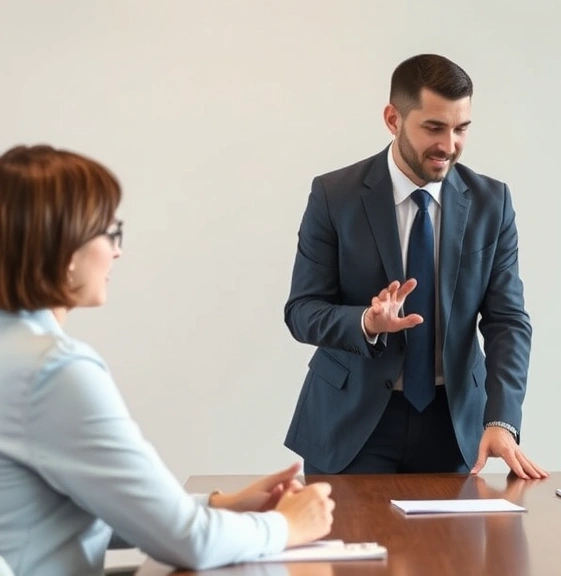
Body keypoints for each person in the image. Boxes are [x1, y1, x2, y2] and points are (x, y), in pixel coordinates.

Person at [0, 145, 335, 576]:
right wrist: (285, 525)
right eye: (108, 232)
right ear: (65, 250)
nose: (117, 251)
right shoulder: (53, 372)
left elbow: (77, 507)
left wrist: (220, 505)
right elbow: (188, 543)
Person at [283, 53, 546, 479]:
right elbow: (302, 311)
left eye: (461, 129)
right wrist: (366, 321)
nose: (449, 145)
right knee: (347, 547)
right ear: (393, 119)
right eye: (433, 127)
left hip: (454, 426)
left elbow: (508, 321)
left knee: (452, 550)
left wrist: (501, 420)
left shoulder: (491, 203)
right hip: (352, 426)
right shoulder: (335, 196)